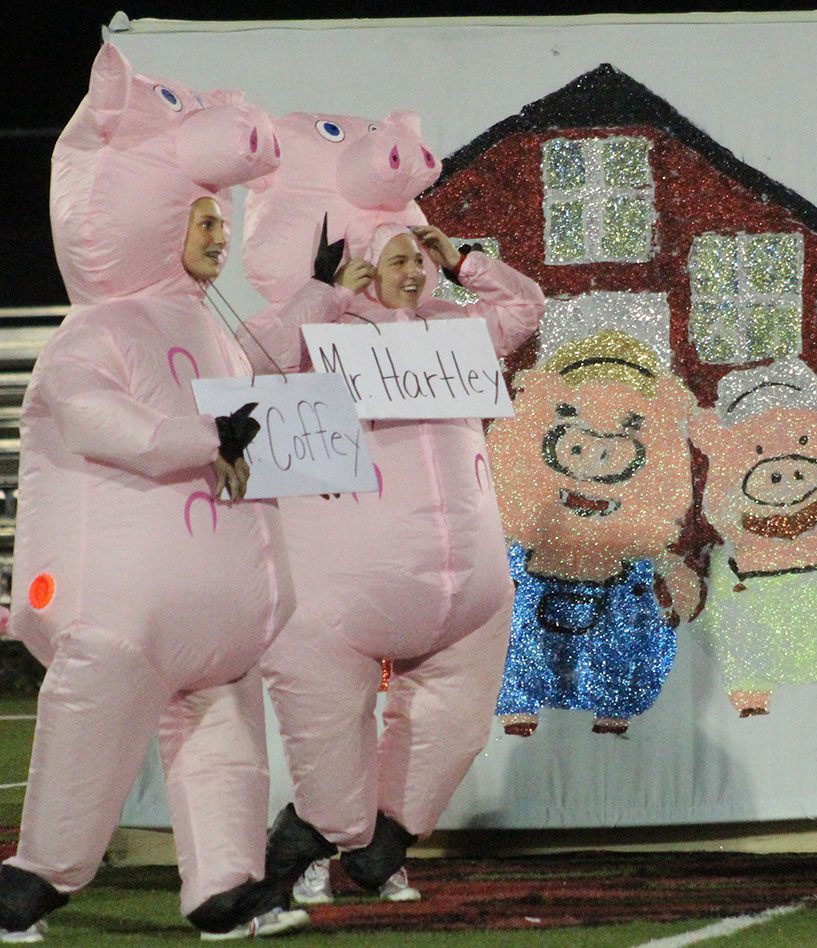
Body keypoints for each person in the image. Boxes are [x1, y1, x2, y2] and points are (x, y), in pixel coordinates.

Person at [0, 45, 308, 941]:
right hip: (123, 608)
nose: (219, 236)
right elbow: (94, 416)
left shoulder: (211, 327)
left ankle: (226, 889)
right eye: (201, 220)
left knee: (224, 744)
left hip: (219, 604)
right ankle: (34, 881)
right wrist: (201, 438)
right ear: (150, 220)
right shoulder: (97, 330)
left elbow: (254, 408)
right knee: (90, 739)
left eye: (220, 220)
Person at [238, 221, 543, 896]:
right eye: (397, 259)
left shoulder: (452, 326)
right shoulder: (327, 329)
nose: (412, 272)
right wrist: (321, 294)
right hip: (344, 585)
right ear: (365, 266)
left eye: (418, 260)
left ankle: (384, 838)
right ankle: (314, 840)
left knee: (454, 727)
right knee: (330, 728)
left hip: (469, 581)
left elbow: (524, 309)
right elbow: (250, 356)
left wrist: (466, 262)